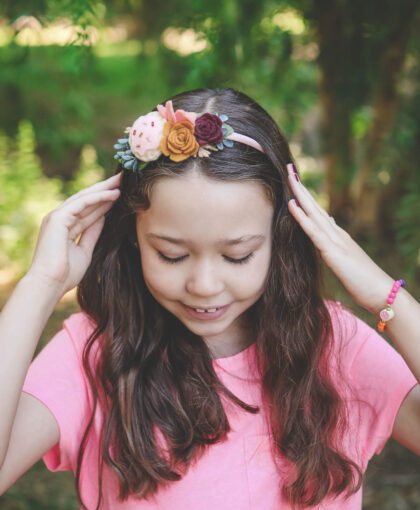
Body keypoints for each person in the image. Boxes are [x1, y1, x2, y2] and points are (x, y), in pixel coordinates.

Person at [0, 88, 419, 510]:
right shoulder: (95, 351)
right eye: (172, 254)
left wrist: (385, 296)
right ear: (132, 236)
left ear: (280, 238)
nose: (203, 285)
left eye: (237, 255)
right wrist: (41, 284)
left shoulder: (333, 346)